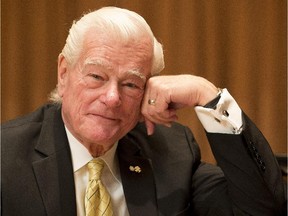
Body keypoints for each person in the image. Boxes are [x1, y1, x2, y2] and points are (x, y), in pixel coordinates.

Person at [1, 6, 286, 216]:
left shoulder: (172, 154)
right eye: (97, 77)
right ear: (64, 73)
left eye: (130, 84)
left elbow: (262, 208)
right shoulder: (6, 157)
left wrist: (207, 94)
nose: (112, 98)